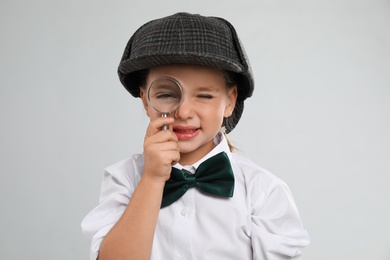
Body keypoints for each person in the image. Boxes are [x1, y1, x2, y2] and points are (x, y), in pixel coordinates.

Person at [81, 12, 310, 260]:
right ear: (146, 101)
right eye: (167, 94)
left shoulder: (263, 191)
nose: (184, 111)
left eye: (204, 96)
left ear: (229, 101)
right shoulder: (125, 179)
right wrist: (151, 180)